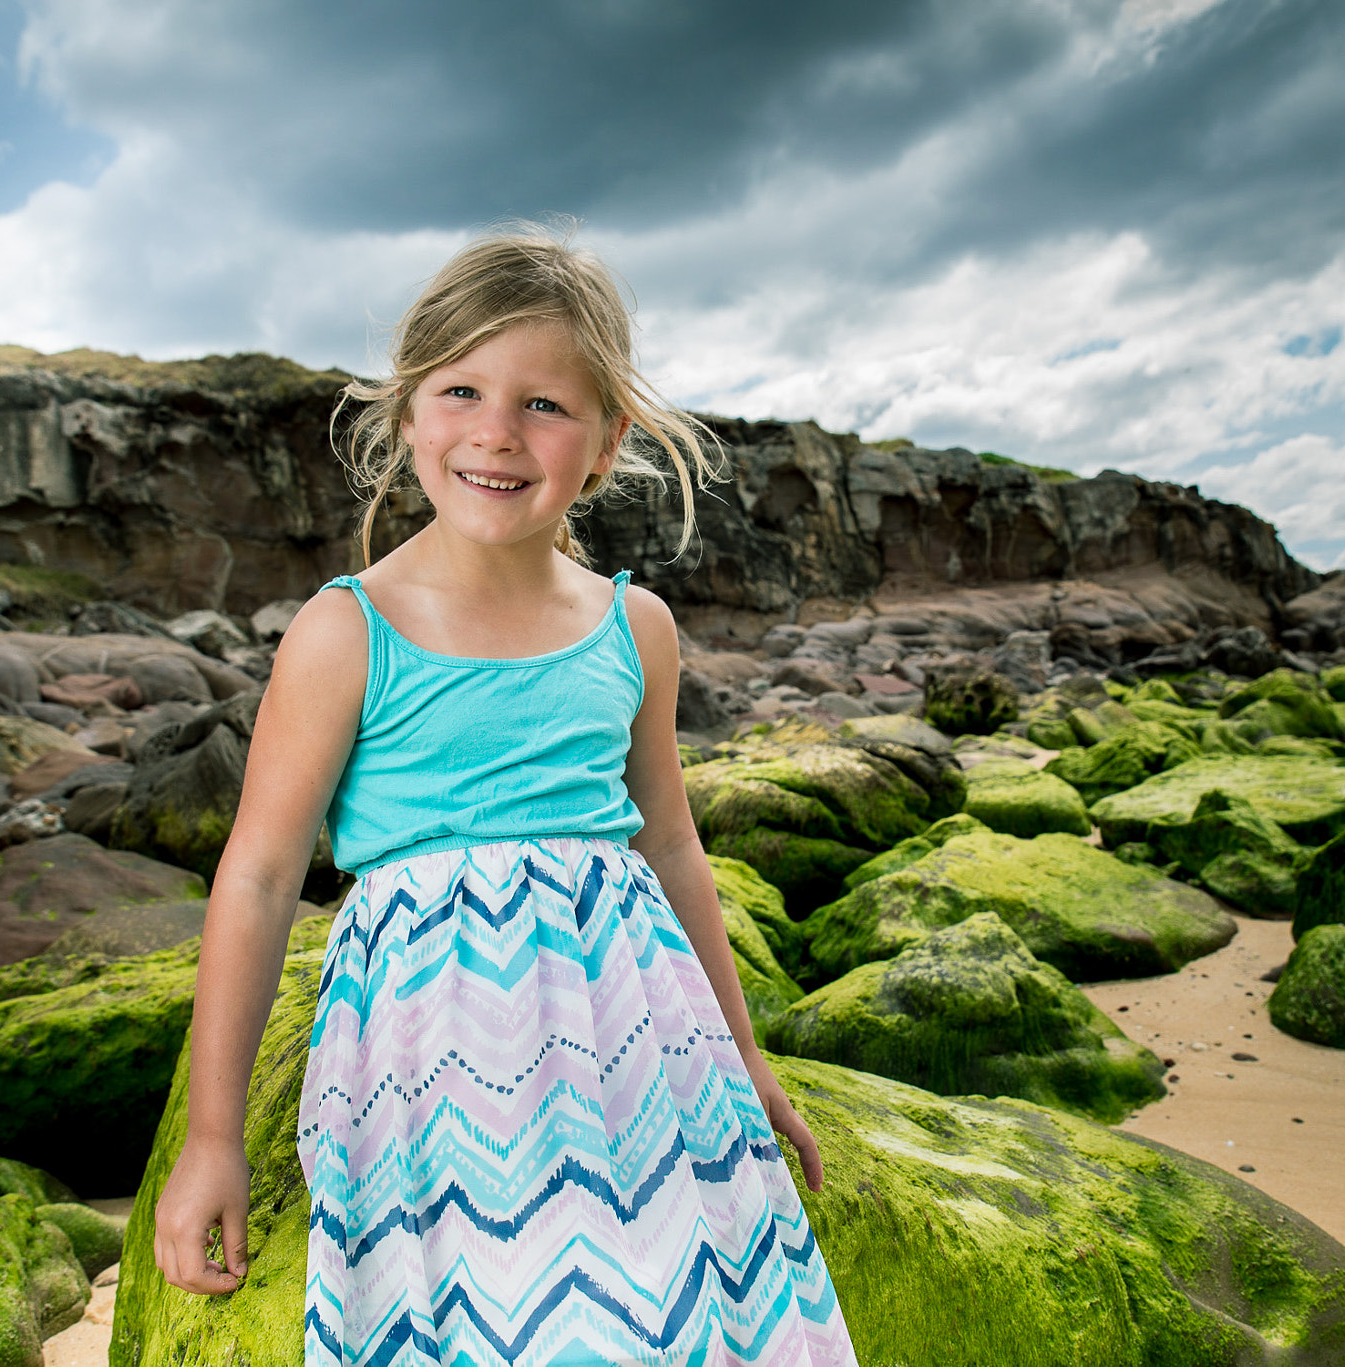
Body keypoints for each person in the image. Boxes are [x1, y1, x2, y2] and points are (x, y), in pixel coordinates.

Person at [152, 229, 858, 1367]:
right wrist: (212, 1135)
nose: (495, 430)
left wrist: (745, 1059)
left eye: (544, 404)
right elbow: (262, 871)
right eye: (463, 390)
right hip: (428, 1064)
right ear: (407, 416)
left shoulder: (635, 627)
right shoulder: (348, 629)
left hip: (642, 1046)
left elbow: (671, 846)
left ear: (606, 442)